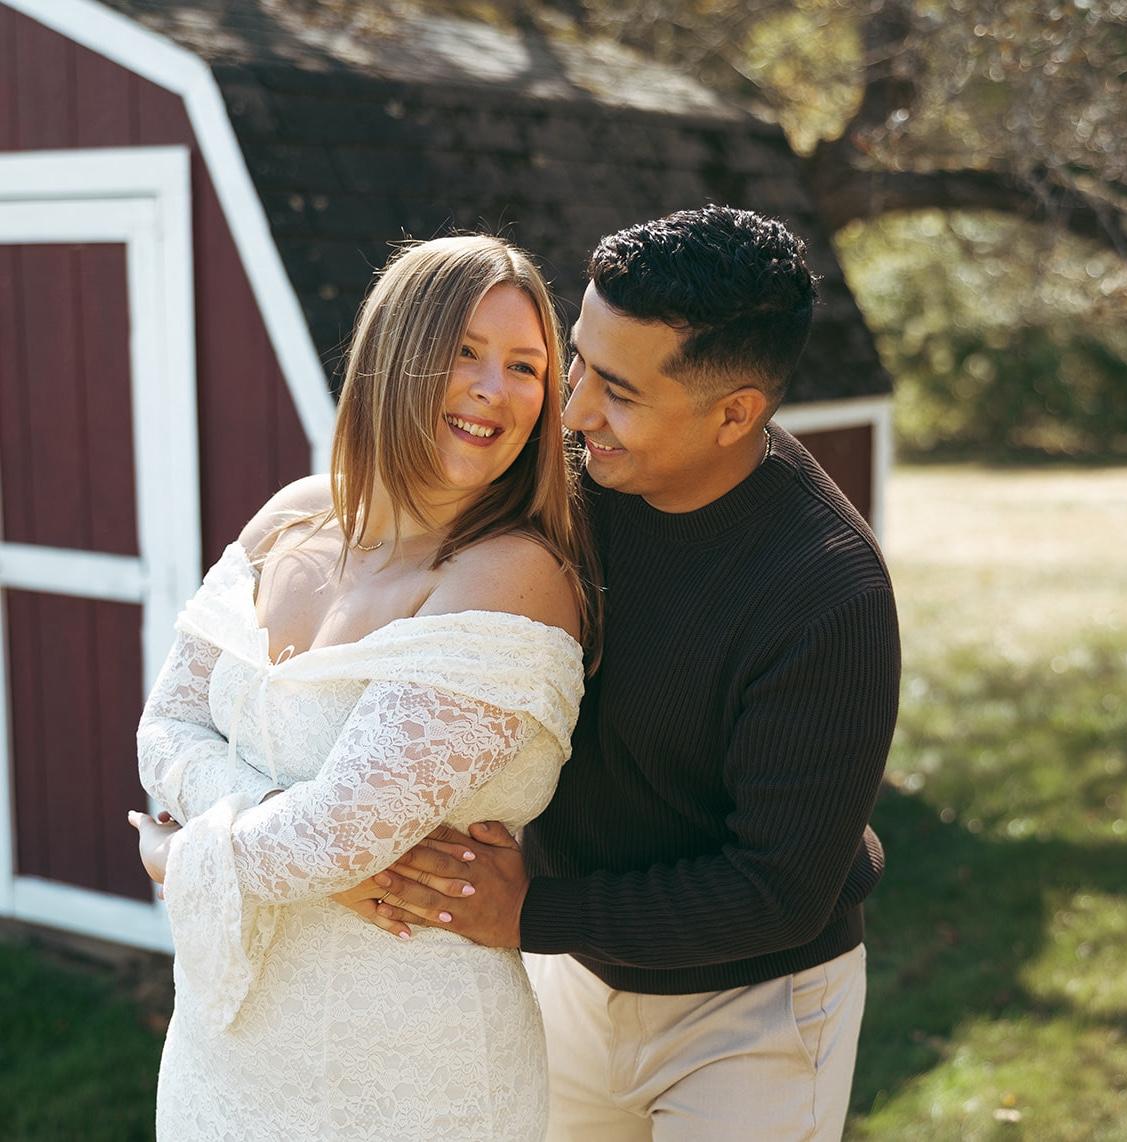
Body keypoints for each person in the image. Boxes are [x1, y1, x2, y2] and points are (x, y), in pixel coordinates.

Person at [352, 206, 901, 1141]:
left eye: (618, 392)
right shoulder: (558, 483)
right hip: (568, 969)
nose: (572, 412)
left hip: (753, 1012)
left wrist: (534, 909)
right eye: (577, 362)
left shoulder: (828, 598)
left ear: (736, 414)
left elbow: (778, 890)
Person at [127, 234, 601, 1141]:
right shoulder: (293, 517)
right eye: (464, 351)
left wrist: (175, 855)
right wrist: (286, 837)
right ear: (395, 353)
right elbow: (166, 728)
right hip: (223, 1049)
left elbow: (335, 839)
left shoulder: (512, 576)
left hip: (407, 1072)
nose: (493, 390)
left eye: (525, 368)